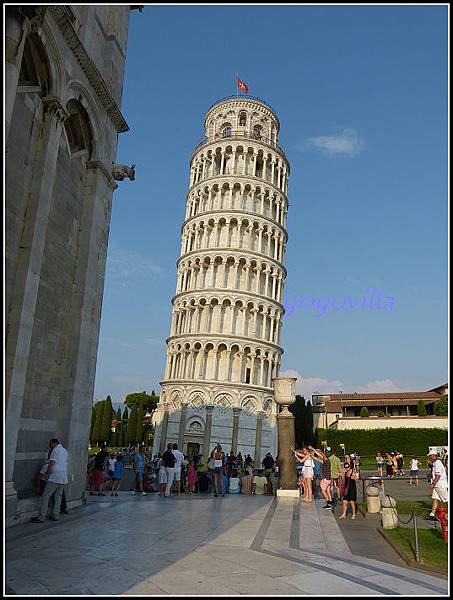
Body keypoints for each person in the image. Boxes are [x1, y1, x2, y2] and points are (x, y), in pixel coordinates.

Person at [31, 439, 68, 523]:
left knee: (45, 496)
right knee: (58, 496)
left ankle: (41, 517)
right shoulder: (64, 450)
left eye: (49, 444)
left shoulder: (55, 450)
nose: (49, 446)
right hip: (63, 476)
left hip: (55, 476)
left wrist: (47, 474)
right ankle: (55, 515)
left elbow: (51, 464)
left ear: (52, 443)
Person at [427, 450, 448, 521]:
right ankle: (432, 514)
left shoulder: (438, 463)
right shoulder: (435, 463)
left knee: (446, 499)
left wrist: (433, 484)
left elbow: (438, 475)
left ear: (434, 456)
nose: (429, 457)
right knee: (435, 498)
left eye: (430, 456)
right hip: (437, 485)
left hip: (440, 484)